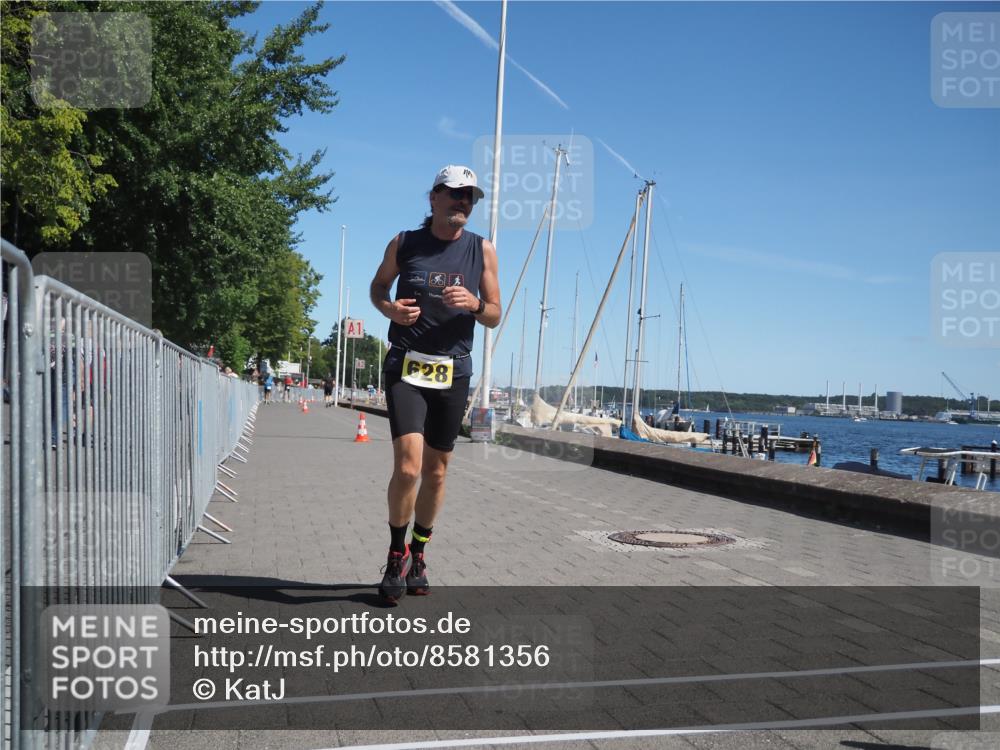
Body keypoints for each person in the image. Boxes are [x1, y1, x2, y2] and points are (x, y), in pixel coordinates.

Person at [369, 164, 501, 604]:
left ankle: (418, 555)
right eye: (457, 194)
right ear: (434, 198)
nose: (464, 202)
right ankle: (394, 555)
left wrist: (476, 303)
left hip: (453, 369)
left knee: (437, 472)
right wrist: (389, 310)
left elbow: (496, 314)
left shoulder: (482, 250)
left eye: (471, 197)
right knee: (408, 467)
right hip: (406, 364)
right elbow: (377, 287)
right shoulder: (404, 242)